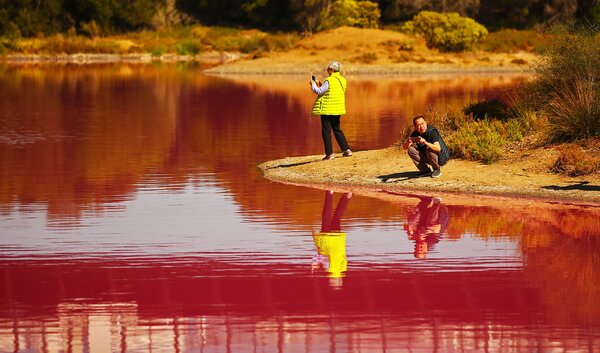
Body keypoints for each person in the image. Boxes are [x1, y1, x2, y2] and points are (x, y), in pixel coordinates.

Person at [310, 61, 352, 161]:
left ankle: (329, 154)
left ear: (332, 70)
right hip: (337, 108)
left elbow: (319, 91)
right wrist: (320, 84)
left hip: (327, 108)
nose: (327, 71)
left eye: (328, 69)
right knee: (337, 129)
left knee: (326, 130)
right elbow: (332, 91)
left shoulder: (329, 80)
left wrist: (313, 85)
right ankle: (347, 150)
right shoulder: (342, 80)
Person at [312, 190, 351, 289]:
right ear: (331, 279)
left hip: (338, 238)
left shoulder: (343, 267)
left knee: (337, 217)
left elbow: (344, 256)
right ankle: (330, 193)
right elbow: (323, 257)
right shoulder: (329, 268)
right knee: (326, 217)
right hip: (327, 238)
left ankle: (347, 197)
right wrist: (315, 262)